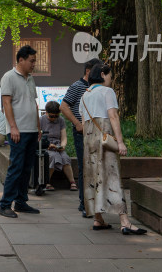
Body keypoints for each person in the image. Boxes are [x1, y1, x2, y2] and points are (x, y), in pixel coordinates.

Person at [78, 63, 146, 235]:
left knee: (94, 176)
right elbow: (113, 116)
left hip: (89, 139)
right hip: (104, 137)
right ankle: (124, 221)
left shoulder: (85, 95)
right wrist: (120, 142)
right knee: (112, 174)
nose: (111, 79)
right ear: (102, 74)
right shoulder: (107, 92)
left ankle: (98, 218)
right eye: (109, 76)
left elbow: (83, 120)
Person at [0, 45, 42, 218]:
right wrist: (13, 127)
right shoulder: (8, 77)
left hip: (31, 130)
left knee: (26, 168)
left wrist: (38, 128)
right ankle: (5, 204)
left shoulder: (30, 79)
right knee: (16, 167)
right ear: (21, 60)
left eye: (34, 61)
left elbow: (34, 104)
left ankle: (21, 202)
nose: (33, 64)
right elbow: (6, 103)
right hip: (18, 131)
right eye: (31, 61)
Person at [59, 58, 102, 218]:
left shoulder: (97, 88)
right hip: (82, 133)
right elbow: (64, 106)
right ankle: (84, 203)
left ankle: (92, 202)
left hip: (96, 134)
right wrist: (77, 124)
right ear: (88, 71)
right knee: (85, 167)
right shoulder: (77, 87)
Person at [39, 101, 77, 191]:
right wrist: (47, 145)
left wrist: (62, 146)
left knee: (65, 158)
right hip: (45, 145)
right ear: (46, 112)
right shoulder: (41, 120)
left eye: (56, 116)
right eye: (51, 116)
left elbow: (63, 136)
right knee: (52, 156)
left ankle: (72, 182)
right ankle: (47, 182)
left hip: (57, 145)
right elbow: (37, 137)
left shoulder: (61, 120)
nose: (54, 118)